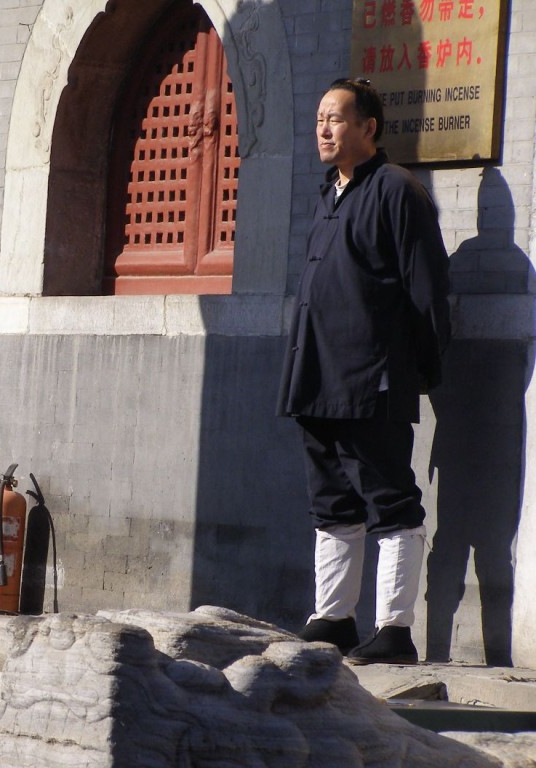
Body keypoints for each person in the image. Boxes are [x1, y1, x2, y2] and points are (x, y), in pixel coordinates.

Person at [277, 77, 451, 665]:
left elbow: (427, 292)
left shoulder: (397, 191)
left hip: (371, 378)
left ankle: (395, 630)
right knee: (331, 503)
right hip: (316, 376)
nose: (323, 129)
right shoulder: (330, 192)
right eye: (320, 118)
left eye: (336, 118)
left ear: (368, 128)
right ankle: (334, 618)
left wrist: (422, 372)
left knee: (391, 501)